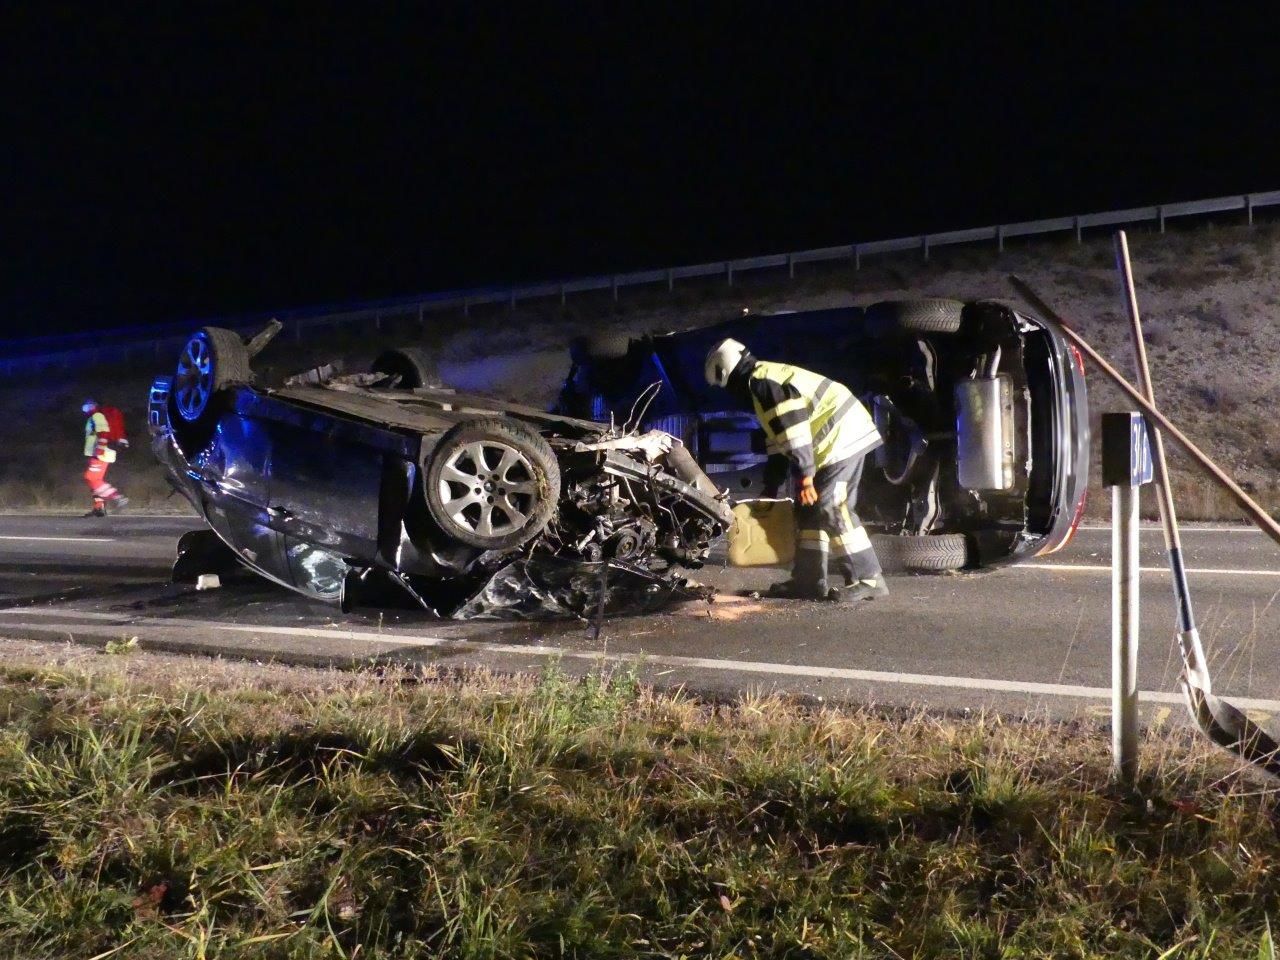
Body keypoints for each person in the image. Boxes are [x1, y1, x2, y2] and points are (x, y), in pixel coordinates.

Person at [705, 338, 886, 601]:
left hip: (841, 437)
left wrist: (805, 477)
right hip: (833, 439)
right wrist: (771, 487)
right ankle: (809, 581)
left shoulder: (763, 383)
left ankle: (869, 579)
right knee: (809, 510)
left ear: (725, 374)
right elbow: (779, 444)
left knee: (831, 506)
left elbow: (796, 431)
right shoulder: (762, 385)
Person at [81, 399, 129, 517]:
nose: (85, 410)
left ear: (92, 406)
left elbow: (104, 433)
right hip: (97, 452)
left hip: (101, 452)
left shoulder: (97, 416)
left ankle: (117, 498)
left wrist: (100, 449)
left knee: (91, 478)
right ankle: (99, 507)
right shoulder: (94, 416)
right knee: (95, 481)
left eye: (86, 407)